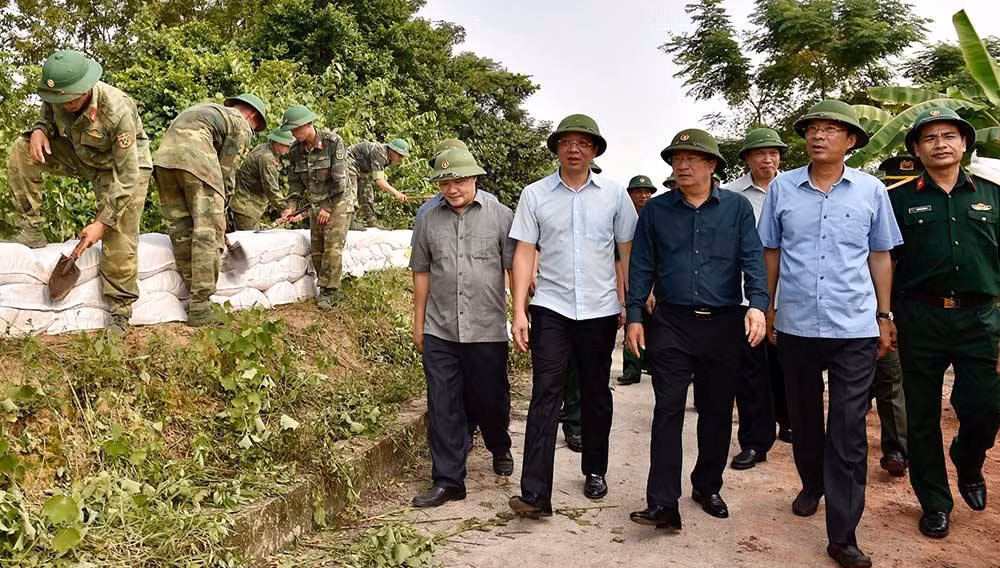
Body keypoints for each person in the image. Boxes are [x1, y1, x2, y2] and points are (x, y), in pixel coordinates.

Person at [758, 99, 902, 568]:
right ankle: (812, 482)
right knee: (802, 416)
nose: (818, 136)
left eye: (830, 129)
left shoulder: (871, 191)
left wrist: (884, 315)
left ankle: (843, 534)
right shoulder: (783, 187)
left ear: (851, 140)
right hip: (797, 323)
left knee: (847, 427)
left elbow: (880, 255)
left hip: (854, 325)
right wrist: (770, 308)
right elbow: (771, 253)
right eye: (812, 129)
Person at [626, 129, 767, 531]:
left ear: (712, 165)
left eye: (691, 158)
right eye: (676, 159)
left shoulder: (737, 209)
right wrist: (635, 314)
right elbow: (642, 265)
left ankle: (707, 486)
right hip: (671, 322)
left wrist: (758, 305)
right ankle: (662, 503)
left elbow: (753, 259)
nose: (682, 166)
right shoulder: (657, 210)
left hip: (723, 323)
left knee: (717, 410)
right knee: (667, 408)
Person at [507, 114, 637, 517]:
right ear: (557, 149)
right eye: (567, 142)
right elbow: (524, 253)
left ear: (595, 150)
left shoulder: (615, 196)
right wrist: (519, 311)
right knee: (546, 393)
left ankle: (595, 469)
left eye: (583, 142)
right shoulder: (535, 195)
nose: (574, 148)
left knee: (597, 393)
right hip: (551, 308)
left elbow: (627, 252)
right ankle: (535, 493)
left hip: (599, 311)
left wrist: (630, 305)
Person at [888, 107, 1000, 539]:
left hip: (981, 317)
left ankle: (969, 460)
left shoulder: (992, 195)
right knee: (920, 415)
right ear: (916, 148)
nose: (940, 143)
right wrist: (887, 316)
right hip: (920, 316)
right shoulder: (898, 199)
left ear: (964, 143)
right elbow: (884, 262)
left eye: (949, 135)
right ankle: (934, 501)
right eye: (929, 137)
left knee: (987, 406)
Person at [5, 50, 151, 334]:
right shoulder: (57, 96)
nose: (64, 105)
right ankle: (31, 227)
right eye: (58, 100)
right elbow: (47, 113)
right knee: (22, 149)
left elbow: (128, 174)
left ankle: (120, 311)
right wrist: (38, 129)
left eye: (69, 100)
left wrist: (102, 222)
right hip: (80, 156)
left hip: (121, 169)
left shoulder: (117, 108)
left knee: (118, 231)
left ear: (85, 89)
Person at [409, 147, 515, 507]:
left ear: (474, 178)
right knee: (442, 404)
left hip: (487, 327)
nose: (452, 189)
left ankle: (499, 444)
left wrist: (521, 316)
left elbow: (515, 269)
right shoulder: (427, 217)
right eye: (444, 182)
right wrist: (418, 322)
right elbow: (421, 272)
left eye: (459, 181)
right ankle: (448, 479)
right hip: (441, 328)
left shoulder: (501, 216)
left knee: (490, 398)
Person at [153, 93, 265, 326]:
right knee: (208, 234)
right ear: (252, 116)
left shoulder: (210, 112)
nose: (252, 133)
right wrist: (221, 212)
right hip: (197, 161)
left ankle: (192, 297)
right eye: (256, 128)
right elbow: (227, 172)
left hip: (164, 162)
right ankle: (201, 306)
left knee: (183, 232)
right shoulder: (240, 124)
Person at [723, 128, 791, 470]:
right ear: (747, 158)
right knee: (751, 371)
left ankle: (791, 422)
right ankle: (754, 440)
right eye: (760, 154)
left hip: (792, 295)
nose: (768, 159)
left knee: (791, 367)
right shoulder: (729, 195)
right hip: (747, 296)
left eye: (774, 153)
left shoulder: (796, 188)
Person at [278, 105, 350, 310]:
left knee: (332, 247)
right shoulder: (295, 151)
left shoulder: (332, 143)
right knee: (317, 250)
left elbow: (340, 182)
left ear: (308, 124)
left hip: (337, 202)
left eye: (295, 129)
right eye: (291, 131)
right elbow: (295, 184)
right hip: (315, 205)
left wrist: (328, 207)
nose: (293, 134)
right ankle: (325, 287)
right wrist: (291, 206)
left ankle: (329, 291)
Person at [617, 175, 657, 386]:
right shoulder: (623, 219)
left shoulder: (656, 217)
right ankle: (632, 369)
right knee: (633, 323)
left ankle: (651, 363)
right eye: (638, 192)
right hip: (630, 280)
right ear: (629, 195)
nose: (643, 195)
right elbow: (618, 260)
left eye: (647, 192)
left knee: (655, 326)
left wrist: (652, 289)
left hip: (654, 283)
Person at [229, 128, 294, 231]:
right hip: (247, 206)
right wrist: (285, 208)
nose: (288, 150)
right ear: (277, 143)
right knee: (249, 243)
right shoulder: (267, 158)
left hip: (244, 203)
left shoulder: (263, 147)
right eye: (286, 146)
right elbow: (271, 188)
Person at [349, 138, 410, 230]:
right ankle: (349, 221)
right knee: (351, 192)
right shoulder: (380, 153)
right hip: (349, 162)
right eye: (400, 155)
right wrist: (396, 193)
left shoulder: (388, 158)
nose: (401, 158)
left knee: (367, 192)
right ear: (392, 151)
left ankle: (371, 220)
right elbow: (379, 181)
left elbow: (378, 175)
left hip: (361, 169)